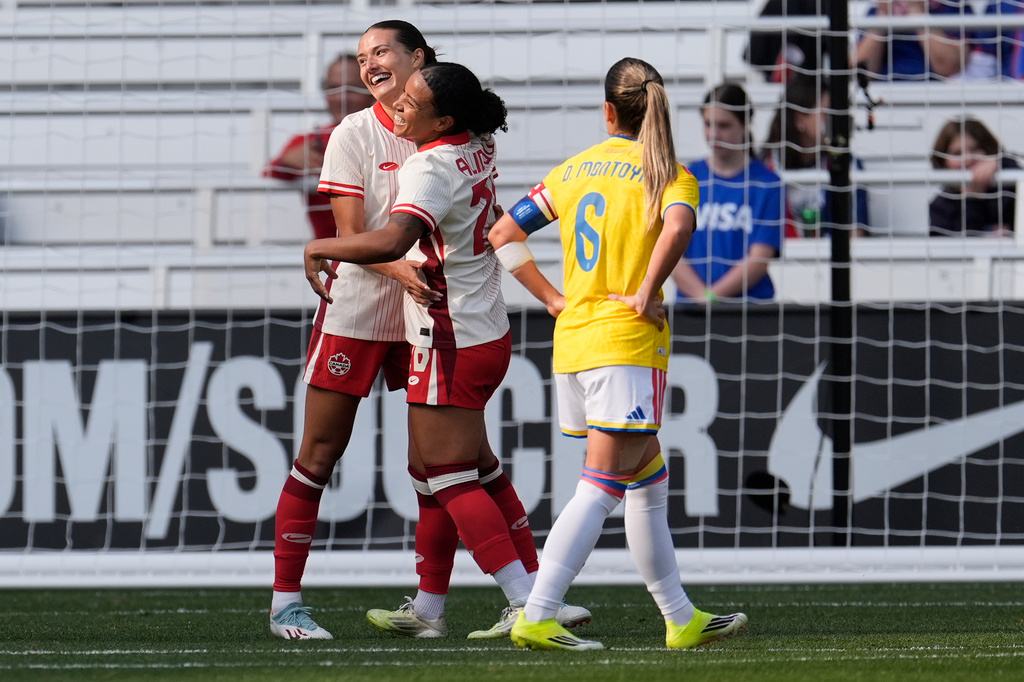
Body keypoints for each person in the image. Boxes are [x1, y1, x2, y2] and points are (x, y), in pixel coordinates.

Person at [270, 22, 588, 641]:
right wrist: (403, 266)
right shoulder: (356, 134)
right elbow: (358, 232)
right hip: (362, 310)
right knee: (320, 454)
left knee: (446, 466)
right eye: (362, 58)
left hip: (432, 317)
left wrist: (364, 254)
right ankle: (286, 603)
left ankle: (441, 605)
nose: (369, 65)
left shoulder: (436, 126)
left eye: (381, 52)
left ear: (418, 60)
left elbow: (401, 231)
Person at [487, 57, 748, 651]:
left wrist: (553, 298)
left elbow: (503, 234)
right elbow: (678, 229)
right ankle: (538, 612)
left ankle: (680, 617)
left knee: (647, 479)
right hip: (626, 346)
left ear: (607, 110)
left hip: (575, 340)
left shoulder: (574, 170)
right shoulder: (670, 174)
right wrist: (645, 290)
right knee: (601, 485)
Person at [672, 83, 784, 304]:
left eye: (724, 125)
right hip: (690, 311)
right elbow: (670, 250)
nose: (714, 134)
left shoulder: (768, 184)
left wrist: (712, 298)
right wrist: (701, 298)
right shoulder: (684, 179)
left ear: (745, 125)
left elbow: (759, 258)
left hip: (749, 309)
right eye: (708, 124)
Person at [264, 54, 375, 239]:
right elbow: (266, 176)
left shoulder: (395, 132)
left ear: (372, 89)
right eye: (333, 88)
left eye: (352, 89)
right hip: (331, 259)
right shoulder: (311, 141)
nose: (342, 98)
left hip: (386, 254)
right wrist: (287, 161)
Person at [760, 77, 871, 238]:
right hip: (778, 260)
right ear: (799, 120)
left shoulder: (847, 164)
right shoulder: (766, 165)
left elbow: (856, 234)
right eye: (826, 114)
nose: (834, 121)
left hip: (831, 259)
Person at [929, 117, 1019, 236]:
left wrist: (1001, 162)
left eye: (975, 149)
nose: (968, 158)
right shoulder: (941, 207)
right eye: (957, 153)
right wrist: (971, 199)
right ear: (943, 161)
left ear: (989, 149)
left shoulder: (1010, 187)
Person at [854, 0, 972, 81]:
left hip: (935, 93)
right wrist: (884, 15)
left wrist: (916, 10)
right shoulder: (875, 11)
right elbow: (861, 72)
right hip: (884, 93)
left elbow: (949, 67)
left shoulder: (954, 6)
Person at [745, 0, 827, 84]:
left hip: (779, 81)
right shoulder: (820, 4)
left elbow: (755, 53)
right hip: (810, 80)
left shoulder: (776, 3)